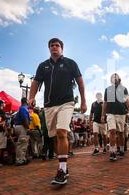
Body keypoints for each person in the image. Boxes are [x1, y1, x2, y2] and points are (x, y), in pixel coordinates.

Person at [29, 38, 87, 186]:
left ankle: (61, 169)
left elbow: (80, 82)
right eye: (52, 46)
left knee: (62, 132)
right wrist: (31, 97)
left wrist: (84, 101)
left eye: (57, 45)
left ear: (62, 48)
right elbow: (35, 82)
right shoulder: (43, 66)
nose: (54, 47)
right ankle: (64, 166)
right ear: (49, 49)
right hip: (49, 106)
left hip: (67, 103)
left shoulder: (70, 63)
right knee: (54, 136)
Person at [101, 73, 129, 162]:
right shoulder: (108, 90)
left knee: (121, 133)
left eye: (116, 77)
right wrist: (103, 115)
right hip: (110, 113)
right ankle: (113, 152)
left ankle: (121, 149)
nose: (114, 78)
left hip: (122, 113)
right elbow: (105, 103)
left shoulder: (123, 89)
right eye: (112, 77)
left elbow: (128, 99)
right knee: (112, 131)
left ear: (119, 79)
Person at [13, 98, 30, 166]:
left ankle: (22, 159)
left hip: (18, 126)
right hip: (22, 127)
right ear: (26, 102)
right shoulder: (24, 108)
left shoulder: (21, 108)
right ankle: (20, 160)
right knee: (22, 144)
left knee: (21, 144)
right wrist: (28, 128)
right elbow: (24, 119)